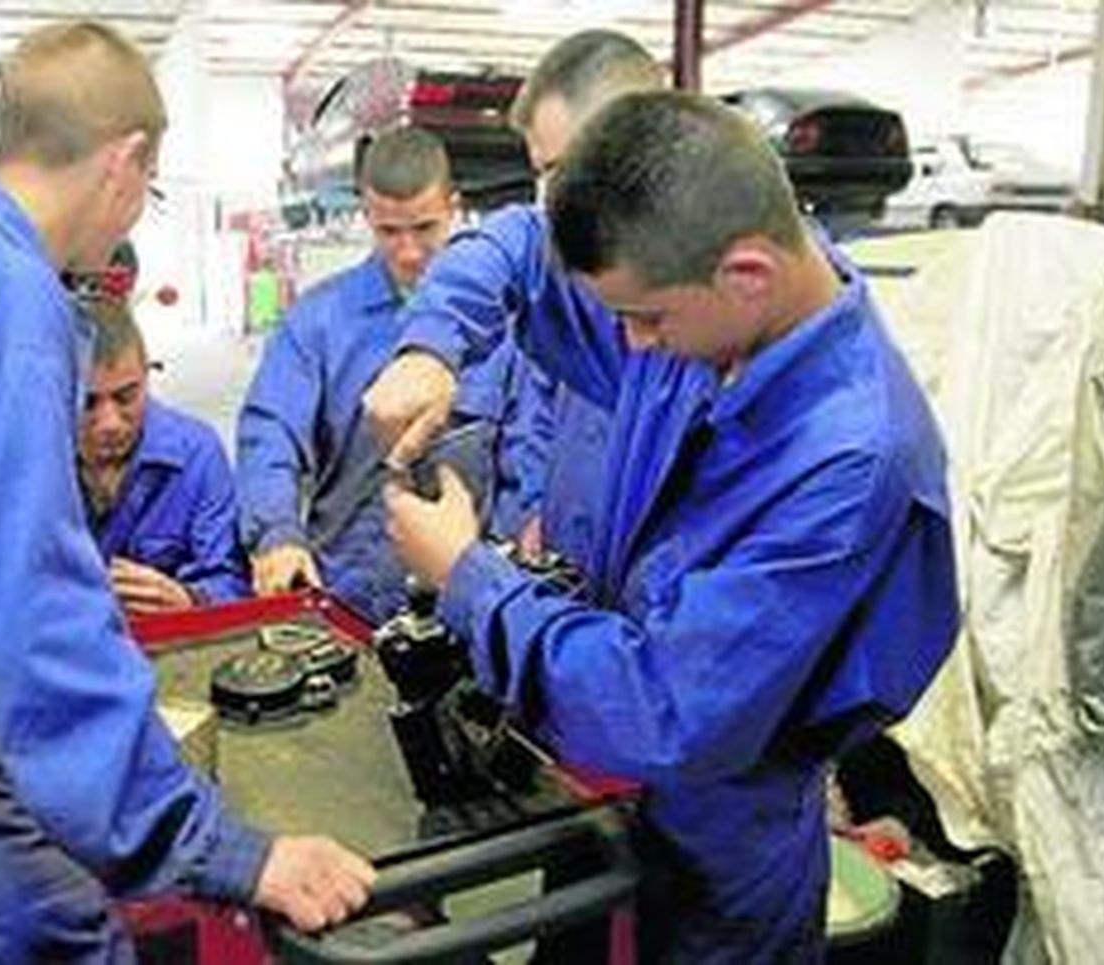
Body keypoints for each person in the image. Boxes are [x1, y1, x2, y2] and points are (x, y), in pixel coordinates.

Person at [0, 22, 371, 963]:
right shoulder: (12, 305)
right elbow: (28, 613)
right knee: (71, 935)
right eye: (148, 189)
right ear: (127, 162)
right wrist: (221, 847)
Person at [372, 89, 960, 962]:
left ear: (748, 273)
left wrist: (470, 576)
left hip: (717, 851)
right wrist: (431, 345)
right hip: (595, 784)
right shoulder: (707, 297)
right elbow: (524, 245)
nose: (630, 348)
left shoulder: (846, 461)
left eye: (645, 319)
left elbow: (670, 711)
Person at [235, 125, 546, 625]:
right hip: (344, 598)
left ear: (453, 206)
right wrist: (277, 535)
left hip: (464, 600)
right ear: (366, 215)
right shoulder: (317, 321)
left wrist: (505, 561)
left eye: (424, 228)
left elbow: (528, 450)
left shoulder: (507, 331)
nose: (408, 252)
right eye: (388, 231)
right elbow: (270, 433)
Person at [79, 296, 249, 610]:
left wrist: (190, 599)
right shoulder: (29, 462)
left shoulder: (198, 455)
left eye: (126, 397)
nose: (110, 424)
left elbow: (232, 581)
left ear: (147, 375)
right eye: (88, 403)